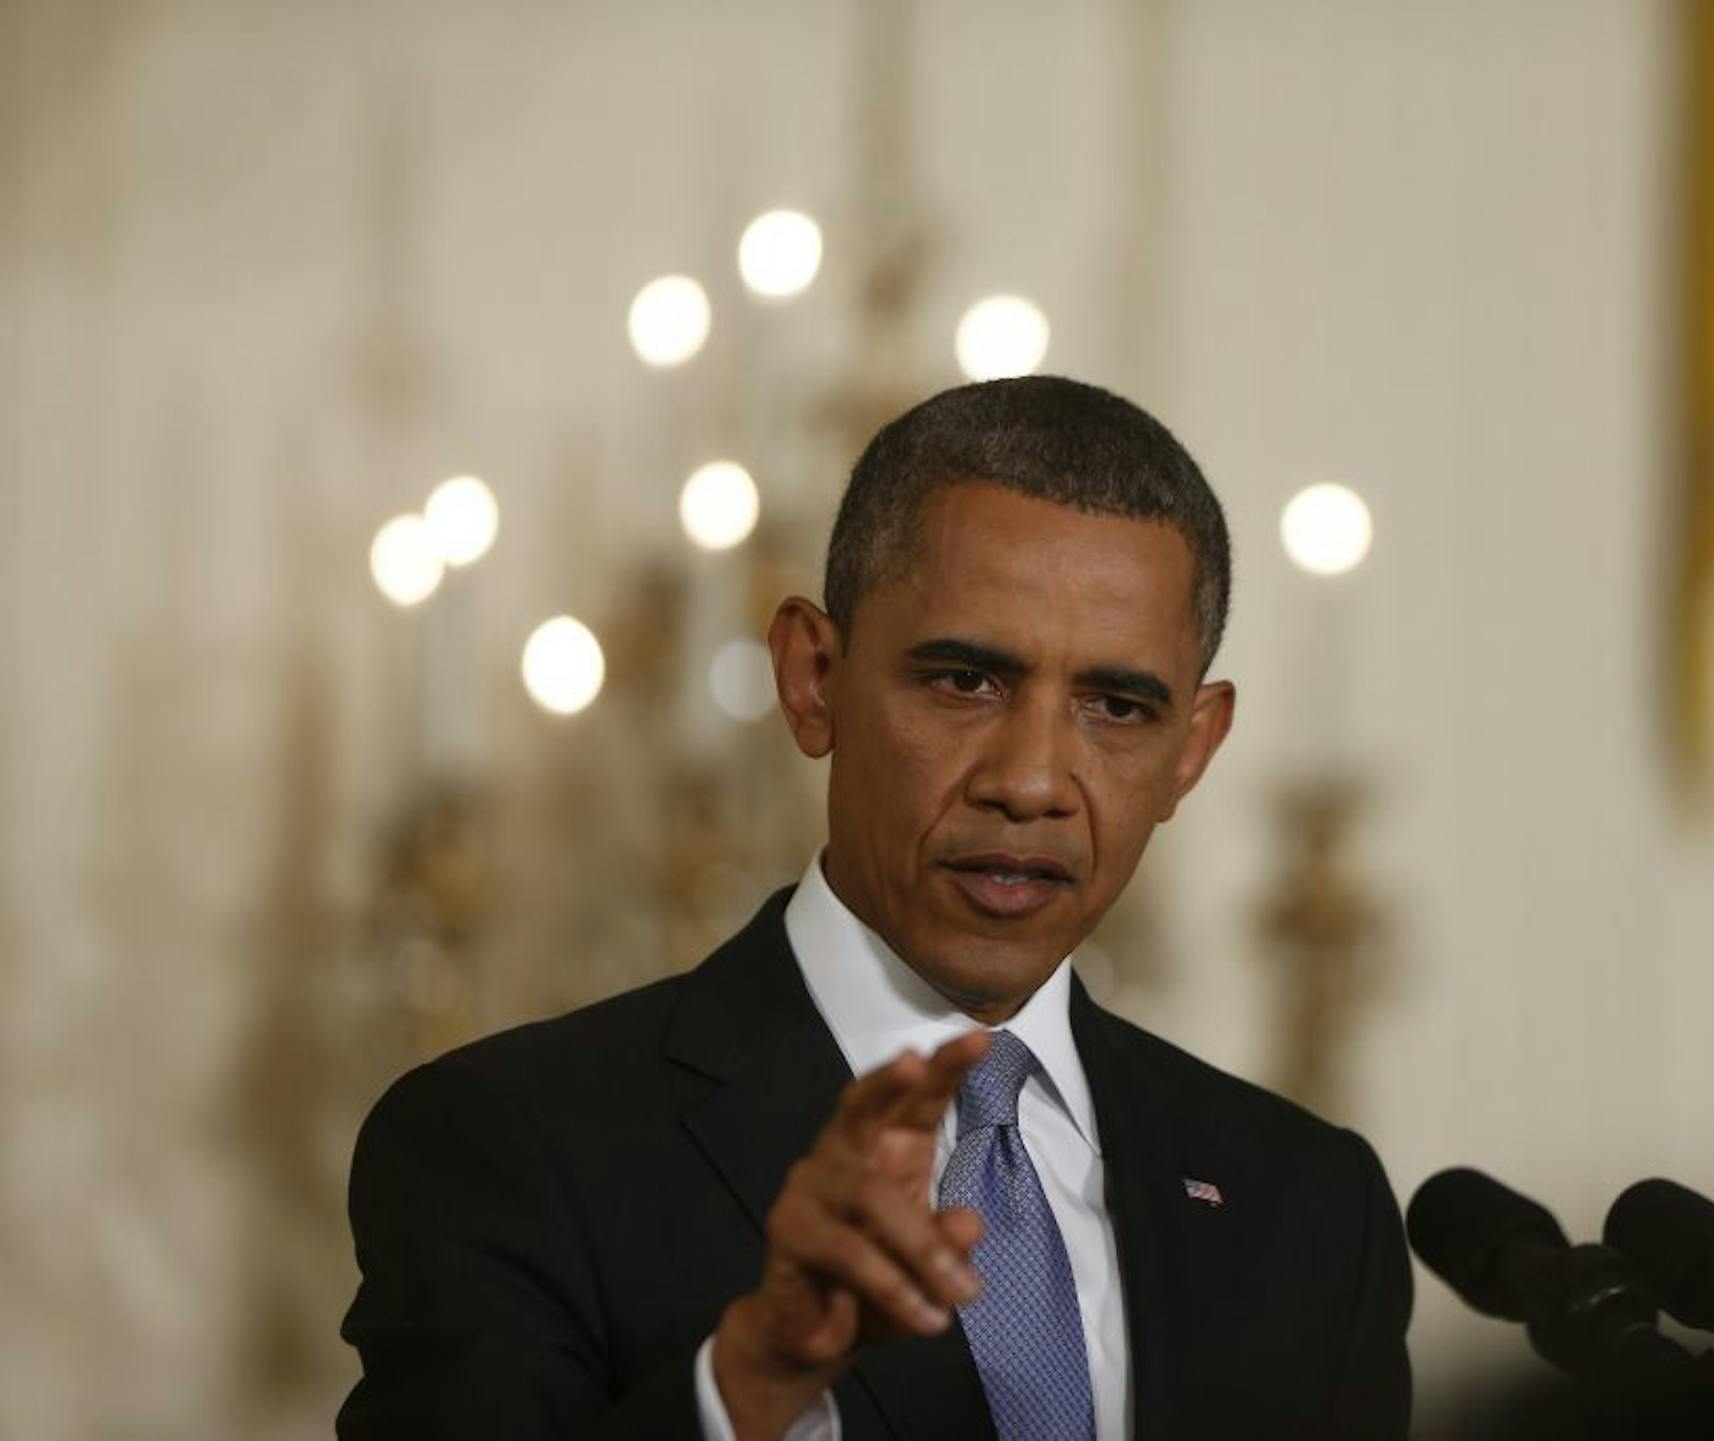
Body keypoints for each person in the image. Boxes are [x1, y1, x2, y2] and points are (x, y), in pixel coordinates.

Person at [337, 376, 1412, 1440]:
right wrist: (751, 1388)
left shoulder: (1312, 1206)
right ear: (812, 678)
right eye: (964, 682)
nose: (1031, 779)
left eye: (1116, 705)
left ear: (1192, 750)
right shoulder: (512, 1145)